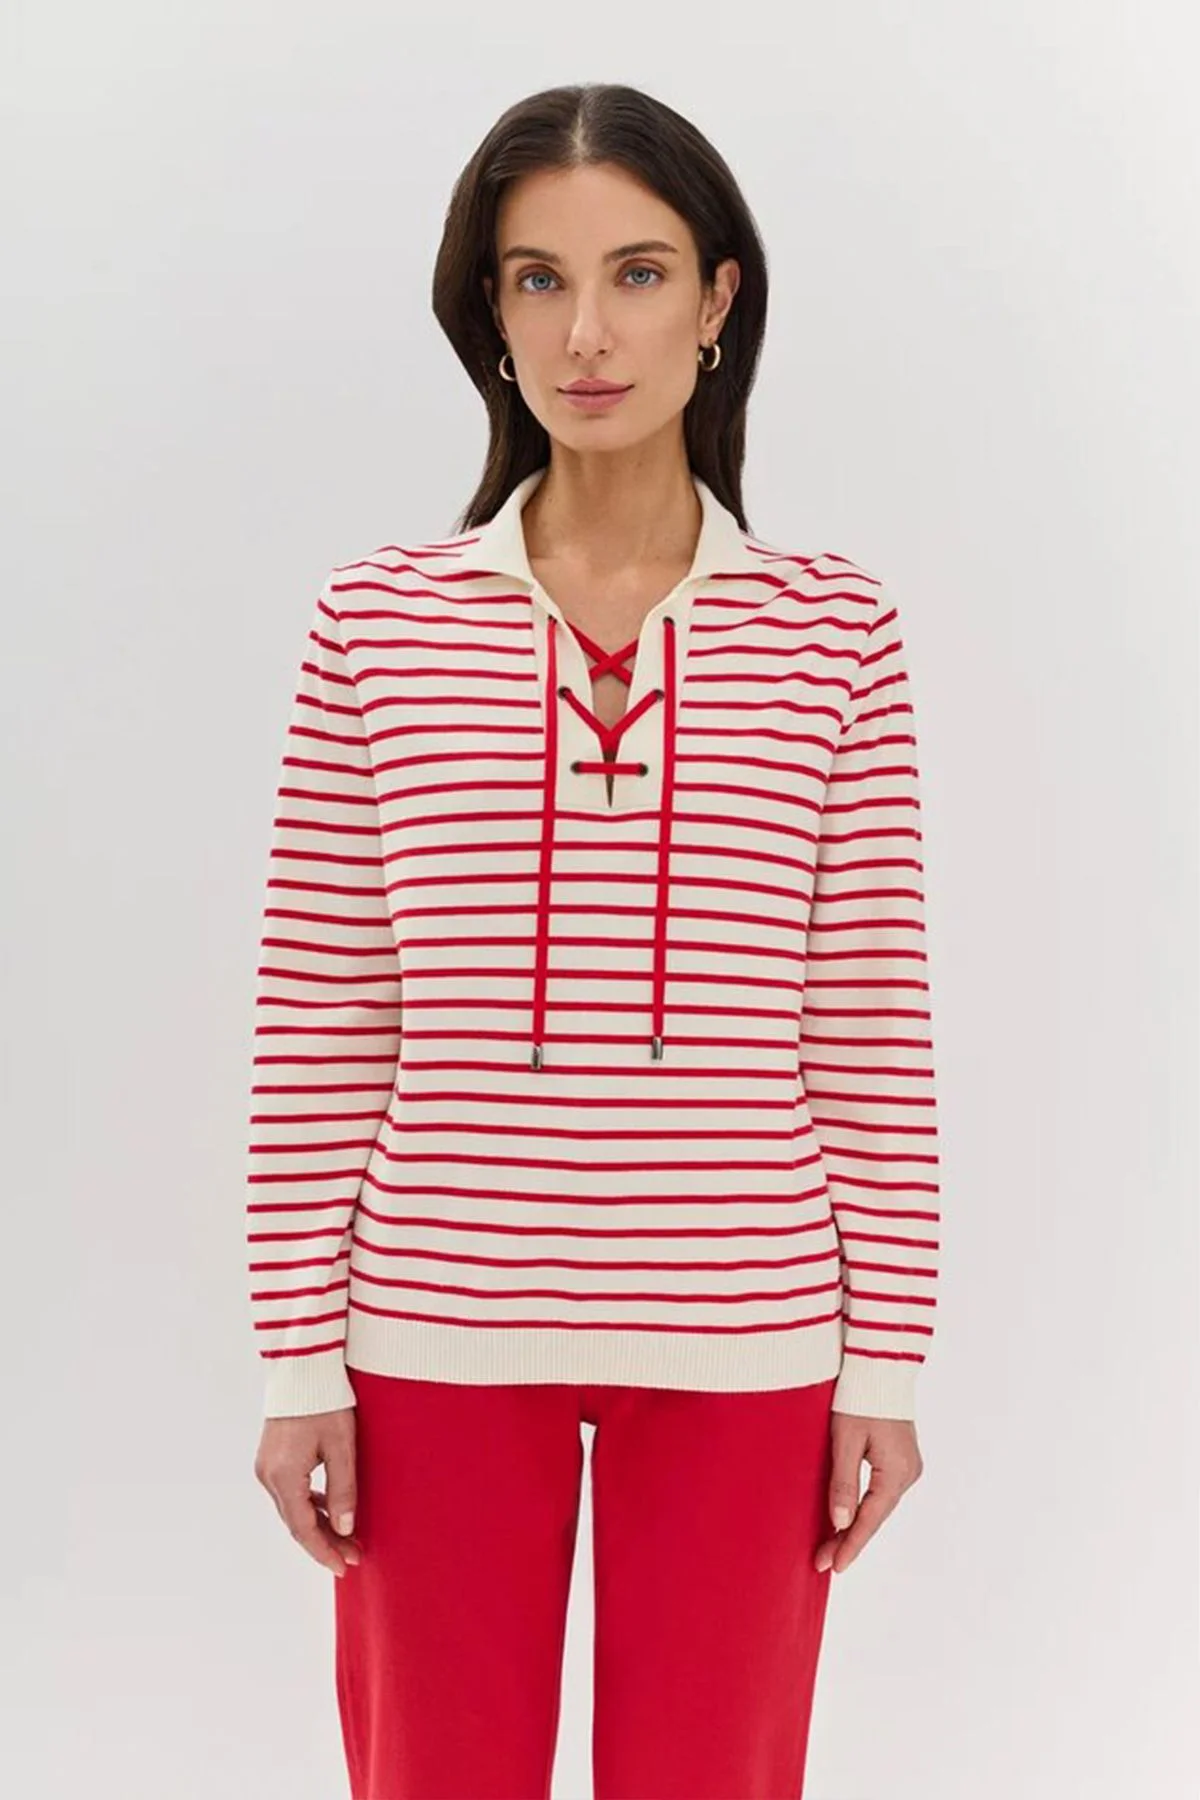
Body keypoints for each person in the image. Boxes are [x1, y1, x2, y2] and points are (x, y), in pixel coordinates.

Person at [248, 80, 940, 1800]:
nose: (587, 333)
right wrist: (296, 1359)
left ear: (717, 301)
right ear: (488, 313)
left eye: (637, 274)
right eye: (538, 279)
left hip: (744, 1328)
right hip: (432, 1327)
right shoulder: (376, 624)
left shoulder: (835, 631)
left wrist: (888, 1363)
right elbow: (326, 1017)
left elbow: (867, 1022)